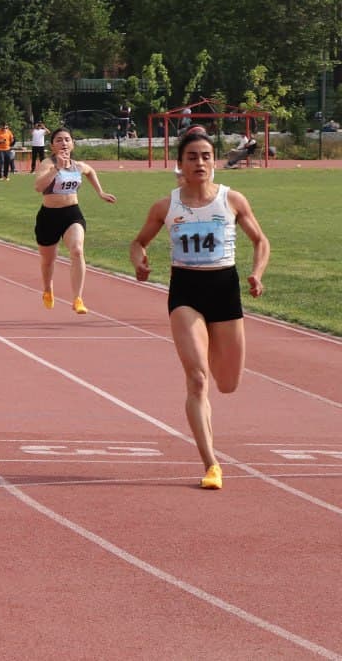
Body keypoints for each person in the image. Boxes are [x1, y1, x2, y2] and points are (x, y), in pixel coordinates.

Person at [130, 128, 269, 490]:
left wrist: (257, 273)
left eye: (206, 156)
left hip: (225, 289)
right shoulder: (167, 206)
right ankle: (211, 464)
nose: (200, 163)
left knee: (228, 384)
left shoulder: (232, 200)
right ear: (180, 164)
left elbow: (260, 241)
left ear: (214, 162)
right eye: (192, 157)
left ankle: (213, 355)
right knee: (197, 379)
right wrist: (140, 262)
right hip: (186, 290)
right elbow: (138, 242)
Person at [33, 127, 116, 315]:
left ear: (73, 144)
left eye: (67, 140)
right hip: (49, 216)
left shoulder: (78, 165)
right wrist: (57, 169)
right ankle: (47, 288)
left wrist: (100, 192)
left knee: (77, 250)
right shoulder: (48, 163)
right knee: (48, 260)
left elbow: (90, 171)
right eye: (59, 140)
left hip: (72, 214)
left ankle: (77, 298)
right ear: (52, 146)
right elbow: (38, 187)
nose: (64, 143)